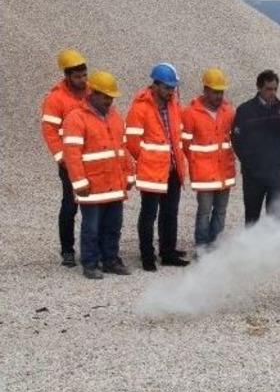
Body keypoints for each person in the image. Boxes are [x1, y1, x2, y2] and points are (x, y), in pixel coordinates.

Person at [61, 71, 133, 279]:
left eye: (111, 97)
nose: (109, 101)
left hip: (114, 184)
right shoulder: (76, 118)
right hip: (92, 186)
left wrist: (129, 176)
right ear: (92, 93)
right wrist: (79, 183)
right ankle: (90, 263)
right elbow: (72, 155)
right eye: (105, 96)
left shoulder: (115, 117)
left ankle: (110, 260)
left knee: (113, 226)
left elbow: (123, 150)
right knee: (91, 228)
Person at [126, 63, 189, 271]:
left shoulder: (173, 105)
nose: (171, 91)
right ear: (155, 85)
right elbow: (132, 142)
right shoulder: (140, 108)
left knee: (170, 213)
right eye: (168, 87)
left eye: (173, 88)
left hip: (173, 169)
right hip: (151, 171)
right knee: (149, 214)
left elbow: (177, 135)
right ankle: (147, 256)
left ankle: (168, 252)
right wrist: (148, 160)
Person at [41, 49, 89, 267]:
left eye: (84, 75)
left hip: (91, 158)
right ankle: (67, 251)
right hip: (70, 162)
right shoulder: (55, 99)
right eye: (77, 76)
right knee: (70, 205)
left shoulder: (91, 92)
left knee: (92, 207)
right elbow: (50, 131)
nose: (83, 80)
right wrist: (63, 158)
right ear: (67, 76)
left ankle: (91, 250)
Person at [181, 68, 236, 254]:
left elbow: (234, 139)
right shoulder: (190, 113)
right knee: (204, 212)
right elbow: (185, 144)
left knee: (220, 211)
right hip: (203, 173)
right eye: (215, 92)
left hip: (224, 171)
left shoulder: (228, 111)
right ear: (205, 90)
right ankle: (202, 247)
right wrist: (196, 162)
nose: (219, 96)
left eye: (221, 92)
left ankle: (216, 247)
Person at [232, 69, 280, 226]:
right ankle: (252, 242)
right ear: (259, 87)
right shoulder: (245, 110)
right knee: (252, 217)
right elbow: (236, 140)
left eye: (275, 89)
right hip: (253, 174)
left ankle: (273, 242)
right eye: (268, 89)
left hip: (276, 172)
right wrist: (249, 162)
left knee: (275, 216)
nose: (273, 93)